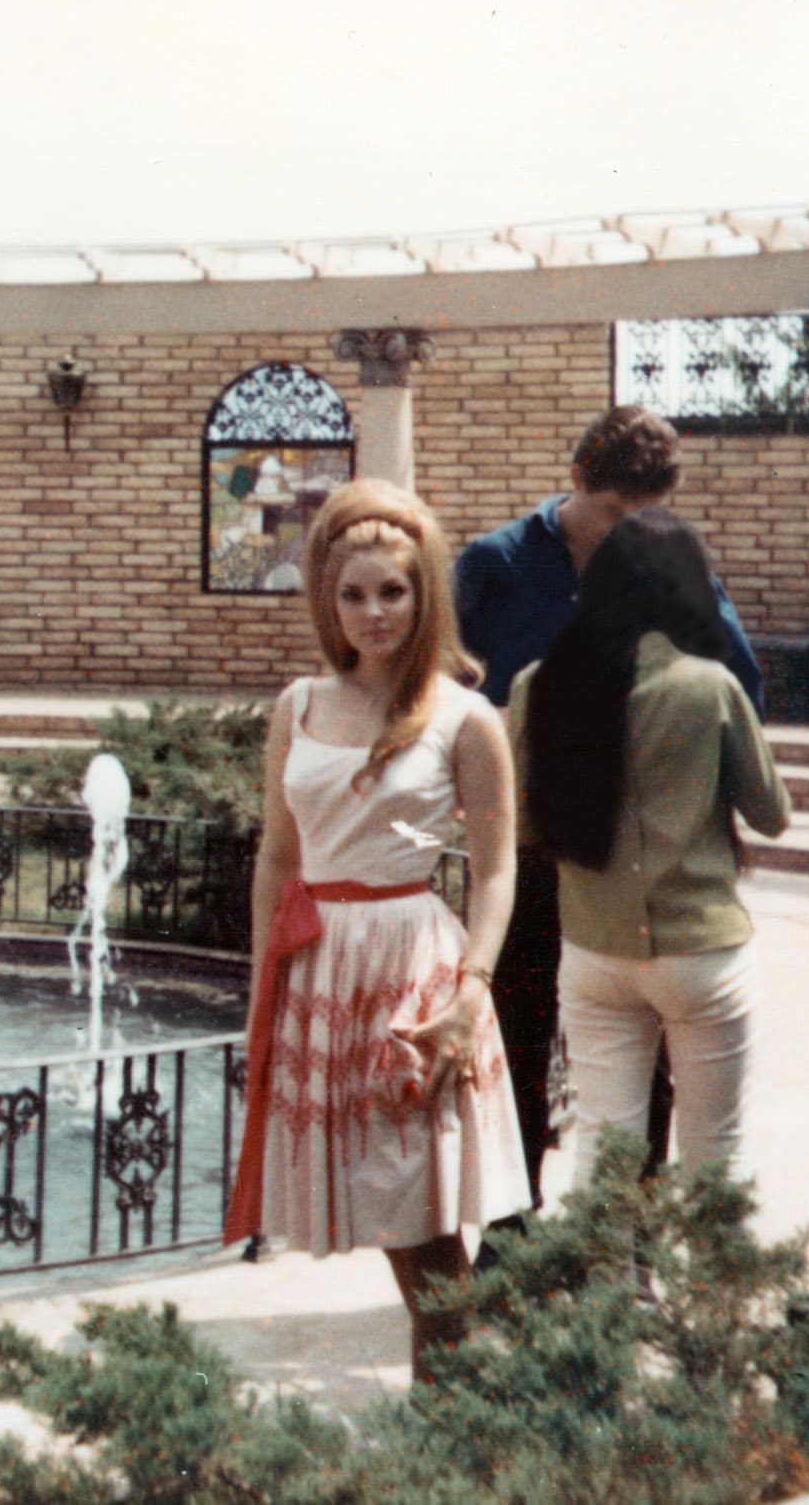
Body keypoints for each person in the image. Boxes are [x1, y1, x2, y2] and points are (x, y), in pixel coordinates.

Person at [225, 479, 530, 1383]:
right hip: (320, 965)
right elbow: (279, 859)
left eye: (392, 591)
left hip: (414, 971)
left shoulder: (466, 718)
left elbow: (497, 865)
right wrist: (263, 992)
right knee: (398, 1222)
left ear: (424, 591)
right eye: (353, 593)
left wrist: (471, 990)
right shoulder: (299, 707)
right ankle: (470, 1417)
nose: (373, 612)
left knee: (422, 1219)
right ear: (328, 597)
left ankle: (461, 1424)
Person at [452, 406, 763, 1218]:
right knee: (515, 1035)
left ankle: (634, 1238)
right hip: (532, 846)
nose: (632, 532)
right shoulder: (496, 563)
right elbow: (448, 692)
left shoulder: (662, 569)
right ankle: (513, 1228)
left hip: (642, 864)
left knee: (644, 1054)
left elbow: (740, 686)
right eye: (617, 514)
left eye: (647, 516)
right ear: (578, 480)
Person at [507, 508, 792, 1184]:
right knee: (714, 1155)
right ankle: (711, 1291)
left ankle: (619, 1290)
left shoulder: (535, 687)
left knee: (603, 1152)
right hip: (702, 952)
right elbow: (772, 813)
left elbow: (525, 830)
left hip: (593, 951)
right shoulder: (710, 686)